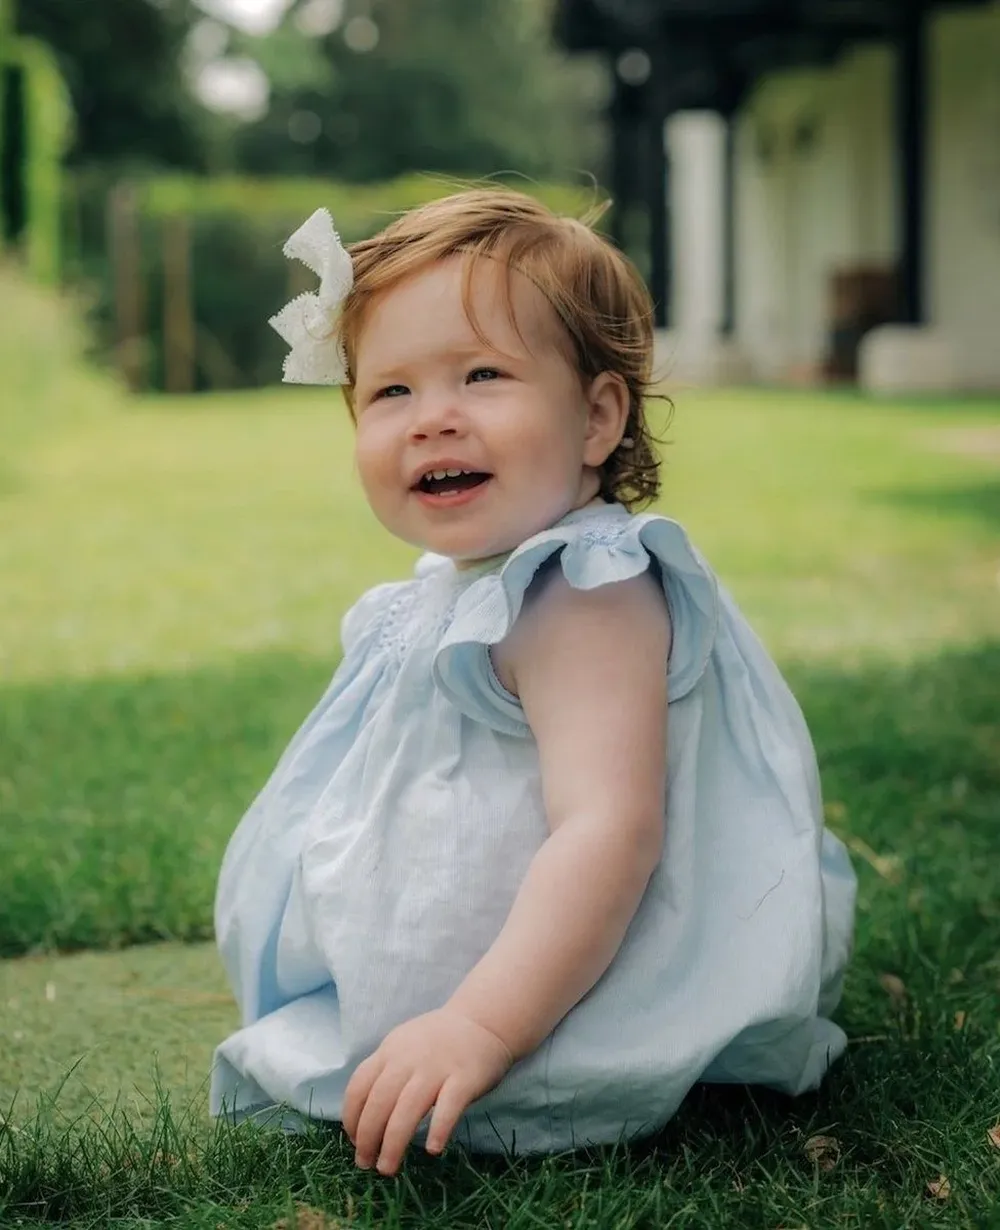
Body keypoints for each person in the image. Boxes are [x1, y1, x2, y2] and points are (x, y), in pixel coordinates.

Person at [210, 188, 856, 1177]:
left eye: (480, 375)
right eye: (391, 393)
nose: (433, 420)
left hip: (544, 999)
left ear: (597, 417)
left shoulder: (584, 592)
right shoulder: (462, 585)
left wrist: (475, 1023)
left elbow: (610, 828)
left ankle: (503, 1051)